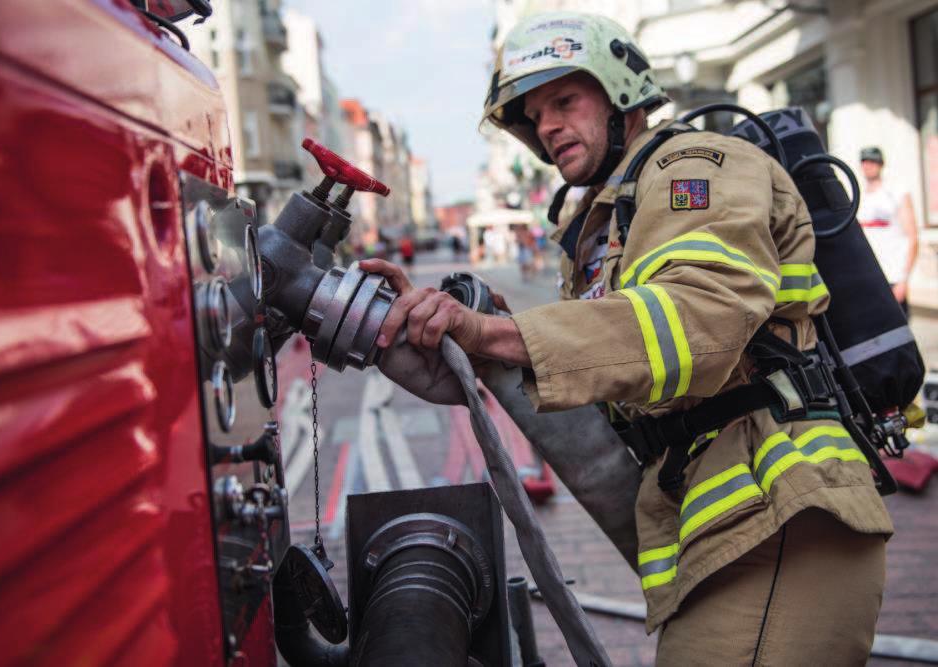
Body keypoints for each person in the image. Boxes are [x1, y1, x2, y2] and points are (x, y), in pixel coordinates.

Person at [362, 11, 892, 665]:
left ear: (620, 95)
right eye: (535, 114)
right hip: (731, 530)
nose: (548, 125)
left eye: (565, 99)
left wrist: (498, 333)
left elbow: (699, 324)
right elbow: (613, 366)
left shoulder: (696, 169)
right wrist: (472, 342)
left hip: (783, 514)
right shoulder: (611, 219)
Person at [859, 146, 919, 314]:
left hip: (893, 276)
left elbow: (913, 237)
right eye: (864, 162)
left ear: (880, 164)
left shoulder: (896, 192)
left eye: (872, 161)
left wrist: (904, 280)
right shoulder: (859, 197)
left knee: (899, 334)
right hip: (869, 277)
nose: (868, 166)